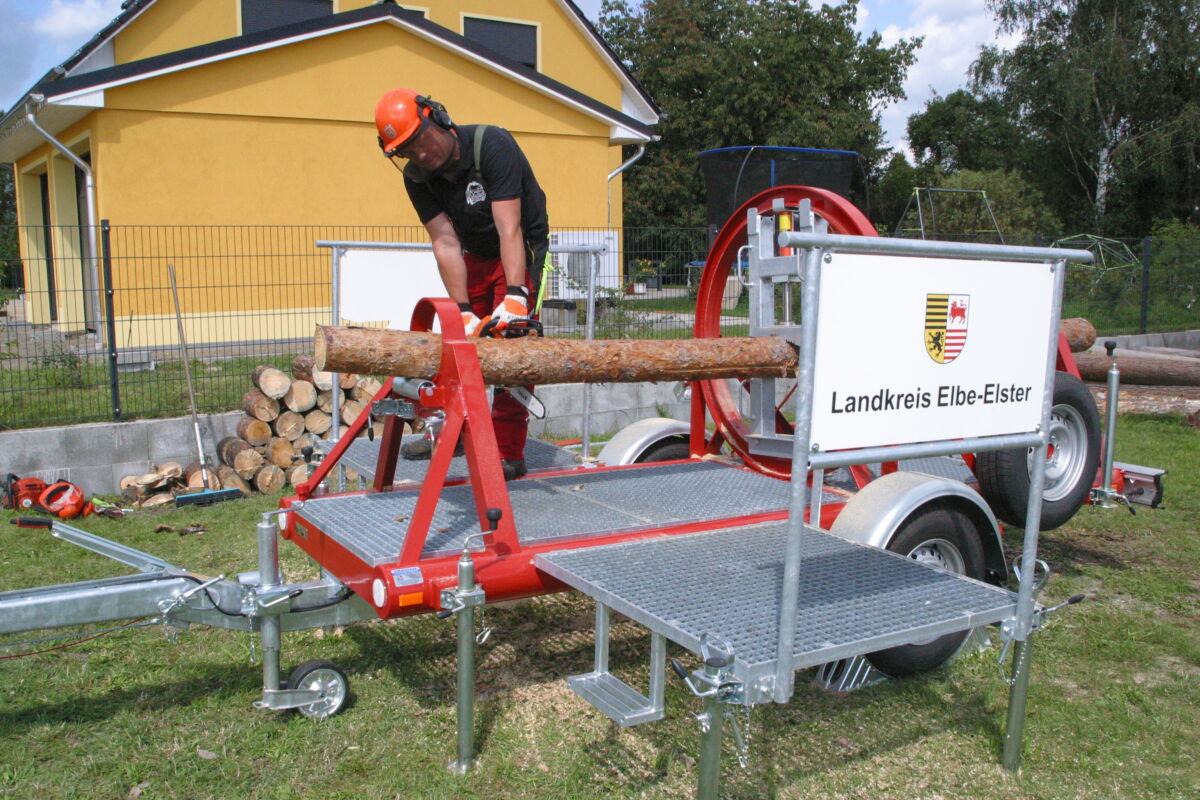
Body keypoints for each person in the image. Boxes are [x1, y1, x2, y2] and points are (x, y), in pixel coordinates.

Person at [374, 88, 550, 481]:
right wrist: (464, 311)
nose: (419, 154)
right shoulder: (418, 178)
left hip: (521, 245)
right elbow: (445, 241)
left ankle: (507, 453)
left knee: (511, 348)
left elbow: (511, 228)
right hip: (473, 252)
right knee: (459, 342)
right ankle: (454, 430)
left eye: (420, 140)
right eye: (406, 150)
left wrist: (517, 295)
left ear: (436, 118)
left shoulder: (491, 145)